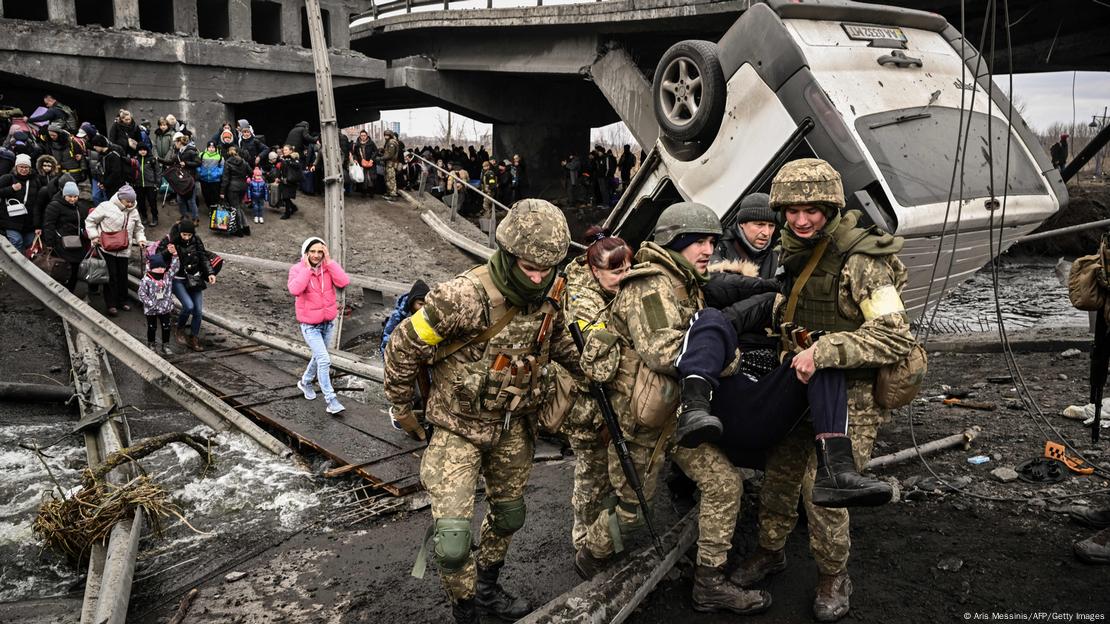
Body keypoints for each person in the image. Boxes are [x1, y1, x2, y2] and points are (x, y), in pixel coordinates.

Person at [734, 158, 915, 622]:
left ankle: (834, 574)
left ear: (831, 207)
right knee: (779, 473)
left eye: (812, 209)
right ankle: (772, 550)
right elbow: (784, 312)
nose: (800, 219)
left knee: (824, 489)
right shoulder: (794, 251)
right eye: (791, 211)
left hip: (850, 394)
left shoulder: (862, 261)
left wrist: (826, 350)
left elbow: (896, 336)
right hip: (798, 384)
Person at [383, 200, 581, 624]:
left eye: (547, 268)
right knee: (453, 542)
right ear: (508, 254)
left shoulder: (551, 291)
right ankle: (467, 606)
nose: (538, 276)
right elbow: (402, 347)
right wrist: (401, 405)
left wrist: (593, 366)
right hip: (458, 428)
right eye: (529, 267)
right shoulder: (462, 297)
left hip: (513, 427)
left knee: (510, 516)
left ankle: (488, 588)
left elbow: (559, 342)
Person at [574, 201, 770, 615]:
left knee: (724, 485)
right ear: (674, 242)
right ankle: (591, 555)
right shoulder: (650, 286)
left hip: (677, 415)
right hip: (641, 424)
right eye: (698, 241)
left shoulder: (684, 283)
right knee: (628, 514)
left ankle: (709, 582)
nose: (708, 250)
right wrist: (728, 354)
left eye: (713, 241)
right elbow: (664, 352)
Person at [561, 227, 633, 552]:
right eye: (616, 271)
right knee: (591, 474)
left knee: (611, 473)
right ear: (594, 270)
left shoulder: (613, 289)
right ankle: (583, 541)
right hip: (585, 402)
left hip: (610, 398)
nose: (625, 276)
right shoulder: (582, 301)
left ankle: (606, 537)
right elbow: (602, 363)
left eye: (628, 268)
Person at [288, 237, 351, 415]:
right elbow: (294, 290)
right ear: (306, 252)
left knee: (318, 357)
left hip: (328, 323)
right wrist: (307, 270)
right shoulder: (297, 269)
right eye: (312, 251)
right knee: (324, 359)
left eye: (320, 252)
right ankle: (331, 400)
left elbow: (344, 281)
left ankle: (305, 382)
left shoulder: (328, 268)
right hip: (310, 325)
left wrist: (330, 262)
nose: (316, 255)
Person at [86, 184, 146, 316]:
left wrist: (141, 239)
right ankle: (111, 304)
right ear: (120, 198)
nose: (130, 204)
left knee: (122, 276)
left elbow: (139, 228)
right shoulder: (105, 206)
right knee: (111, 276)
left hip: (124, 249)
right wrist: (94, 236)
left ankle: (122, 301)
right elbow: (90, 221)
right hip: (107, 248)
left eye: (132, 201)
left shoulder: (134, 212)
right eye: (128, 201)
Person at [157, 219, 215, 352]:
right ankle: (180, 328)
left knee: (198, 311)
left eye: (189, 235)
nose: (187, 237)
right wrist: (168, 252)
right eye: (184, 235)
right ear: (180, 232)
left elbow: (203, 257)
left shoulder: (196, 240)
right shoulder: (170, 240)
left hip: (194, 278)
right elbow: (157, 258)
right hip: (177, 278)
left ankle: (194, 337)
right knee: (188, 306)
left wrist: (210, 273)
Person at [714, 192, 779, 279]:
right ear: (741, 223)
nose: (766, 233)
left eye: (771, 226)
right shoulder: (718, 249)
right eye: (760, 224)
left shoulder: (776, 259)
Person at [41, 180, 87, 292]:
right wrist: (50, 243)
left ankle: (70, 291)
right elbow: (48, 225)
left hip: (77, 242)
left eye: (75, 196)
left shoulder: (80, 207)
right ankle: (59, 291)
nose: (73, 199)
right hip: (60, 242)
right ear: (64, 195)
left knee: (75, 267)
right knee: (62, 267)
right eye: (70, 196)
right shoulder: (55, 206)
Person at [138, 253, 178, 356]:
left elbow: (175, 267)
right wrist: (150, 303)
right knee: (152, 327)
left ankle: (166, 345)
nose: (160, 269)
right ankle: (151, 344)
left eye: (162, 266)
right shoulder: (147, 279)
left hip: (165, 307)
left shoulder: (167, 276)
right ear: (151, 268)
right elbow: (141, 293)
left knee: (166, 326)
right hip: (151, 309)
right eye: (157, 267)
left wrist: (175, 256)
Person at [379, 279, 429, 357]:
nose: (423, 308)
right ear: (412, 303)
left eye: (426, 304)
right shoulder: (398, 316)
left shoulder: (428, 313)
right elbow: (386, 341)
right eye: (420, 304)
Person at [0, 154, 40, 252]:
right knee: (16, 241)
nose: (24, 169)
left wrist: (38, 224)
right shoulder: (8, 178)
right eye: (21, 167)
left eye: (26, 167)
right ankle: (12, 265)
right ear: (16, 167)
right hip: (10, 220)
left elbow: (38, 203)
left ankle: (25, 265)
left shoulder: (35, 181)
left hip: (28, 221)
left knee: (30, 243)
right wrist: (11, 189)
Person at [170, 132, 201, 223]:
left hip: (191, 179)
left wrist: (186, 163)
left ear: (179, 142)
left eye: (176, 142)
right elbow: (171, 161)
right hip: (182, 180)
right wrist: (158, 159)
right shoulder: (179, 152)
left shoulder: (191, 151)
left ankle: (195, 219)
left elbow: (198, 162)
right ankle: (184, 216)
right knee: (180, 200)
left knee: (191, 200)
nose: (175, 145)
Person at [134, 143, 161, 226]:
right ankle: (144, 217)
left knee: (152, 202)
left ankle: (155, 217)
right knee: (141, 202)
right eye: (140, 150)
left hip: (151, 184)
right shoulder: (135, 159)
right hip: (139, 185)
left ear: (147, 150)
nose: (142, 152)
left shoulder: (152, 159)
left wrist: (157, 183)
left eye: (144, 150)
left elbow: (158, 172)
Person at [220, 146, 249, 215]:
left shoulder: (227, 163)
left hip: (232, 188)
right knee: (238, 205)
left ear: (228, 153)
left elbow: (225, 179)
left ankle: (242, 224)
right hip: (243, 186)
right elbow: (251, 172)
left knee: (235, 207)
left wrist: (222, 192)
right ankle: (240, 223)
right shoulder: (244, 162)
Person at [277, 145, 303, 220]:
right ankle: (293, 207)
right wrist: (278, 177)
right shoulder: (283, 158)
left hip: (291, 181)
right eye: (284, 150)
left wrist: (288, 161)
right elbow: (281, 169)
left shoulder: (294, 158)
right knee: (285, 197)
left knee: (286, 197)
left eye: (286, 150)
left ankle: (287, 213)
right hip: (284, 180)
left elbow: (298, 166)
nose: (284, 151)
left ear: (291, 151)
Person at [198, 141, 224, 210]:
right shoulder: (202, 155)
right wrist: (200, 172)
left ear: (215, 148)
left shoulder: (219, 157)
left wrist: (217, 173)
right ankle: (209, 206)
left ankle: (213, 209)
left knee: (215, 196)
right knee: (206, 195)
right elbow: (197, 164)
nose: (211, 149)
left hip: (215, 180)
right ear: (207, 148)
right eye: (209, 147)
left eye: (213, 147)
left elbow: (222, 167)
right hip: (204, 179)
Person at [351, 131, 377, 198]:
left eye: (364, 135)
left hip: (370, 163)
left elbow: (376, 151)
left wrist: (372, 159)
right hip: (361, 163)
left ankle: (372, 192)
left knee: (370, 178)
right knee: (363, 178)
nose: (363, 137)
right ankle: (364, 192)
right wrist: (355, 159)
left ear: (367, 135)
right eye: (361, 135)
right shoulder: (357, 144)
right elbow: (355, 154)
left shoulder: (371, 143)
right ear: (360, 136)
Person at [381, 129, 401, 200]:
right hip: (388, 163)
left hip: (390, 163)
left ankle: (393, 194)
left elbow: (390, 155)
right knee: (387, 178)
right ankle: (389, 192)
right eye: (385, 135)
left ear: (390, 135)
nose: (386, 137)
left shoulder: (391, 142)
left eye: (387, 135)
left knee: (391, 178)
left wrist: (381, 158)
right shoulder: (388, 142)